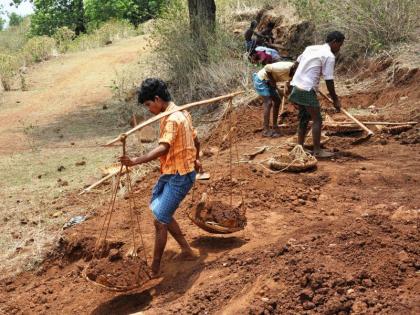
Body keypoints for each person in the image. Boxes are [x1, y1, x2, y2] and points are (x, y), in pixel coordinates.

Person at [119, 78, 201, 277]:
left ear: (157, 99)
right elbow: (196, 139)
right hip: (173, 172)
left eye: (148, 105)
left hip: (180, 176)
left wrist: (135, 160)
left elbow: (164, 147)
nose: (148, 109)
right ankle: (188, 251)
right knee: (160, 212)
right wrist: (196, 159)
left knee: (160, 220)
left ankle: (154, 268)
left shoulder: (173, 118)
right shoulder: (182, 112)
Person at [288, 31, 345, 157]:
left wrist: (294, 79)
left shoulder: (311, 48)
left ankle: (300, 148)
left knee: (304, 118)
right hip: (306, 89)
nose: (339, 48)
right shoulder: (329, 56)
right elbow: (329, 79)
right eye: (340, 45)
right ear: (334, 42)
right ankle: (317, 151)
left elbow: (295, 64)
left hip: (297, 86)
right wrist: (335, 99)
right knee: (317, 119)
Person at [253, 60, 295, 137]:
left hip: (269, 82)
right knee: (268, 103)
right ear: (295, 67)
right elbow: (267, 67)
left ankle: (275, 126)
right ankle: (266, 130)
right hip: (261, 80)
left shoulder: (296, 73)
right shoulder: (285, 67)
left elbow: (290, 86)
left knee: (278, 101)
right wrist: (272, 81)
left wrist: (291, 97)